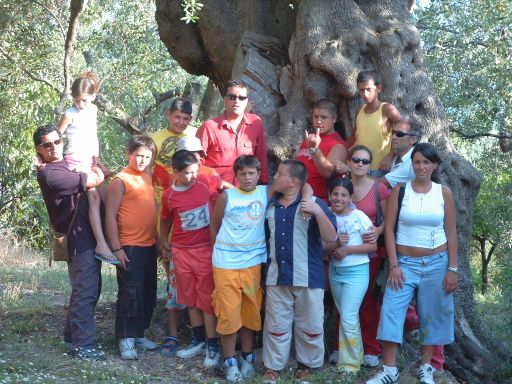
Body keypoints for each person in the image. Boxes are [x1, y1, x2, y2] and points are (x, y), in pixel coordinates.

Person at [366, 143, 458, 384]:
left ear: (435, 165)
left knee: (431, 314)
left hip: (437, 263)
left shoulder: (443, 193)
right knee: (391, 311)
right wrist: (394, 265)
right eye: (417, 162)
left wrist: (453, 269)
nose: (421, 166)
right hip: (404, 264)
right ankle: (389, 370)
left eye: (426, 162)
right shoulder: (401, 190)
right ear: (411, 164)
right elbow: (388, 229)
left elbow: (451, 233)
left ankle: (426, 367)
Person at [262, 160, 337, 383]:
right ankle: (274, 366)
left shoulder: (314, 204)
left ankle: (308, 365)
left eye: (280, 173)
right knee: (275, 325)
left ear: (294, 181)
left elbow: (331, 237)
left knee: (311, 325)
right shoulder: (270, 204)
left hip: (308, 276)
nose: (275, 176)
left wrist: (318, 213)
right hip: (277, 275)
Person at [34, 124, 105, 359]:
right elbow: (92, 180)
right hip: (77, 239)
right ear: (39, 149)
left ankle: (71, 334)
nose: (53, 146)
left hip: (86, 235)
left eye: (57, 141)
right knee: (86, 289)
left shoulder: (67, 164)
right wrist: (96, 172)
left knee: (88, 288)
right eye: (47, 144)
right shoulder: (50, 174)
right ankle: (83, 345)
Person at [160, 150, 222, 368]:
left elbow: (220, 204)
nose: (193, 176)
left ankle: (213, 344)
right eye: (188, 173)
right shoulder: (168, 195)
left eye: (196, 171)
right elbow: (166, 219)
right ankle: (198, 340)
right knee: (189, 297)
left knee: (206, 298)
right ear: (175, 172)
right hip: (181, 251)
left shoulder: (204, 186)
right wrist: (163, 240)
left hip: (204, 250)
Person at [209, 155, 268, 382]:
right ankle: (229, 361)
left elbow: (296, 183)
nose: (247, 177)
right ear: (236, 176)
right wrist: (220, 253)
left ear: (259, 174)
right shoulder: (228, 196)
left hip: (252, 264)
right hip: (225, 265)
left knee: (251, 311)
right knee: (228, 312)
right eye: (242, 174)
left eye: (251, 173)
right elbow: (214, 227)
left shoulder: (264, 193)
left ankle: (248, 357)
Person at [105, 135, 159, 360]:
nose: (143, 160)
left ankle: (138, 334)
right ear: (129, 153)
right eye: (139, 155)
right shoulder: (120, 180)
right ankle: (126, 338)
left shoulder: (147, 177)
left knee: (148, 292)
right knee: (130, 293)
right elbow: (109, 215)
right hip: (129, 246)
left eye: (147, 156)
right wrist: (116, 248)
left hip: (149, 246)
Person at [56, 71, 118, 264]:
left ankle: (114, 241)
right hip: (75, 160)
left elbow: (93, 136)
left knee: (109, 197)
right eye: (76, 100)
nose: (79, 104)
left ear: (92, 97)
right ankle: (101, 244)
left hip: (90, 159)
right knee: (93, 198)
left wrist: (98, 159)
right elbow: (56, 137)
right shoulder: (69, 114)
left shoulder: (93, 111)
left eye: (83, 100)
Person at [150, 98, 193, 356]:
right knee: (162, 249)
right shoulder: (156, 137)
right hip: (157, 201)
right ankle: (169, 299)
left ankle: (181, 303)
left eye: (186, 118)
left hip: (181, 206)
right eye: (177, 117)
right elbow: (146, 166)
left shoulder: (193, 138)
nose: (181, 122)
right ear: (169, 115)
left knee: (177, 255)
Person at [343, 145, 391, 368]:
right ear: (349, 162)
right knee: (342, 303)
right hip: (342, 255)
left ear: (370, 164)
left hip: (370, 254)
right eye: (356, 160)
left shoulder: (379, 189)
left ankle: (371, 348)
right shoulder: (341, 186)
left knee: (369, 302)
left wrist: (379, 230)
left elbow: (388, 221)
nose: (360, 164)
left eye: (365, 161)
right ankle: (341, 347)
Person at [324, 177, 377, 374]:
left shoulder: (359, 216)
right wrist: (334, 248)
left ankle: (350, 367)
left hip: (356, 272)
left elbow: (372, 245)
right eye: (335, 194)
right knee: (345, 316)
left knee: (348, 317)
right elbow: (321, 246)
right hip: (335, 271)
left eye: (343, 195)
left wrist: (348, 250)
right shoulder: (326, 216)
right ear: (329, 196)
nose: (339, 198)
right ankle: (354, 357)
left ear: (351, 197)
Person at [196, 79, 269, 185]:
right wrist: (215, 182)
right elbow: (196, 163)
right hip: (216, 194)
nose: (237, 101)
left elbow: (261, 158)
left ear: (247, 101)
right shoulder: (209, 127)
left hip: (246, 193)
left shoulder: (256, 123)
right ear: (225, 99)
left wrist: (263, 184)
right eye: (232, 97)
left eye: (242, 98)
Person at [346, 70, 401, 177]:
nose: (365, 94)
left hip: (379, 170)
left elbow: (404, 133)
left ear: (378, 88)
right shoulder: (359, 111)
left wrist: (391, 155)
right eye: (361, 90)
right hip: (358, 168)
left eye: (369, 89)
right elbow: (354, 136)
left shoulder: (387, 109)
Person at [296, 98, 348, 202]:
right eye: (315, 117)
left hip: (319, 200)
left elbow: (327, 173)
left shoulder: (338, 145)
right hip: (298, 196)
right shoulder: (311, 138)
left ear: (334, 119)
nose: (318, 121)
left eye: (324, 117)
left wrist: (314, 148)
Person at [382, 117, 420, 189]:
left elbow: (380, 183)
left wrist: (355, 174)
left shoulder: (411, 165)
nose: (393, 137)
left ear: (413, 140)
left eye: (399, 134)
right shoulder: (398, 154)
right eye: (393, 132)